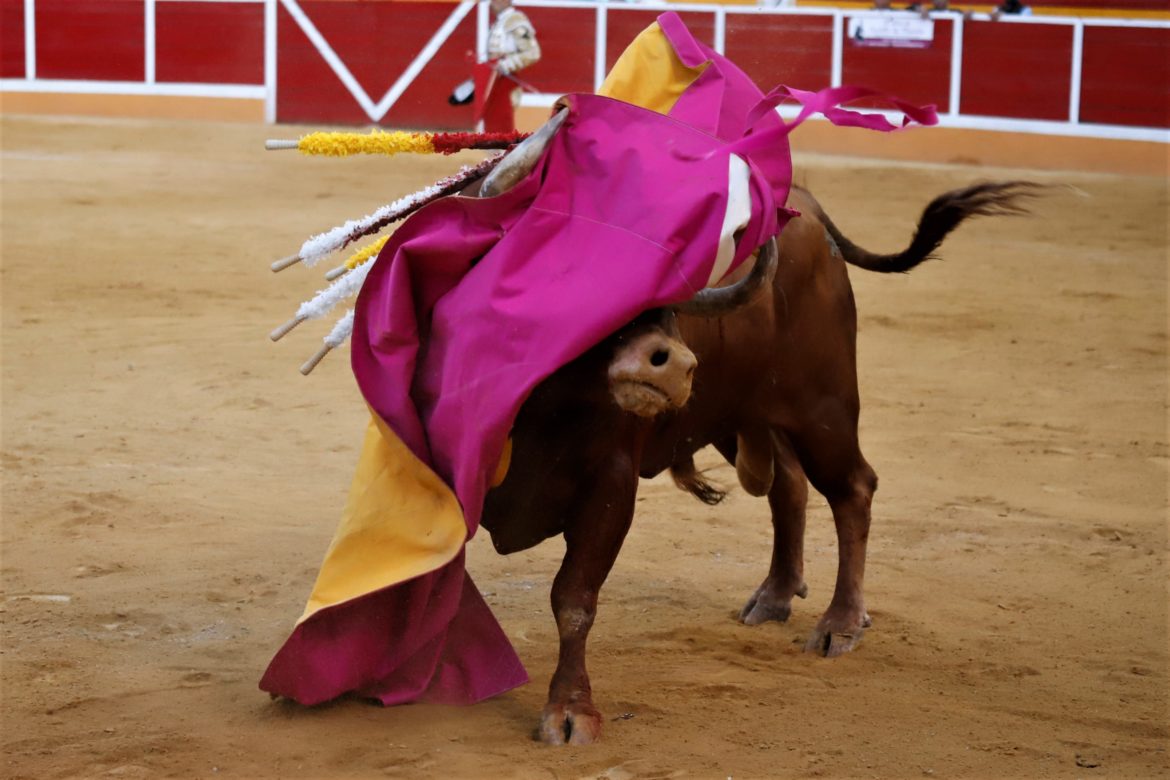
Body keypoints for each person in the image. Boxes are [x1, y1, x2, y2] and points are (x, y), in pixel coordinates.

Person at [481, 0, 541, 131]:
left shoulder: (515, 21)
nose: (491, 4)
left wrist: (506, 65)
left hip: (507, 80)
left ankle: (504, 151)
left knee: (502, 123)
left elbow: (533, 53)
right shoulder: (500, 21)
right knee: (492, 123)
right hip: (493, 81)